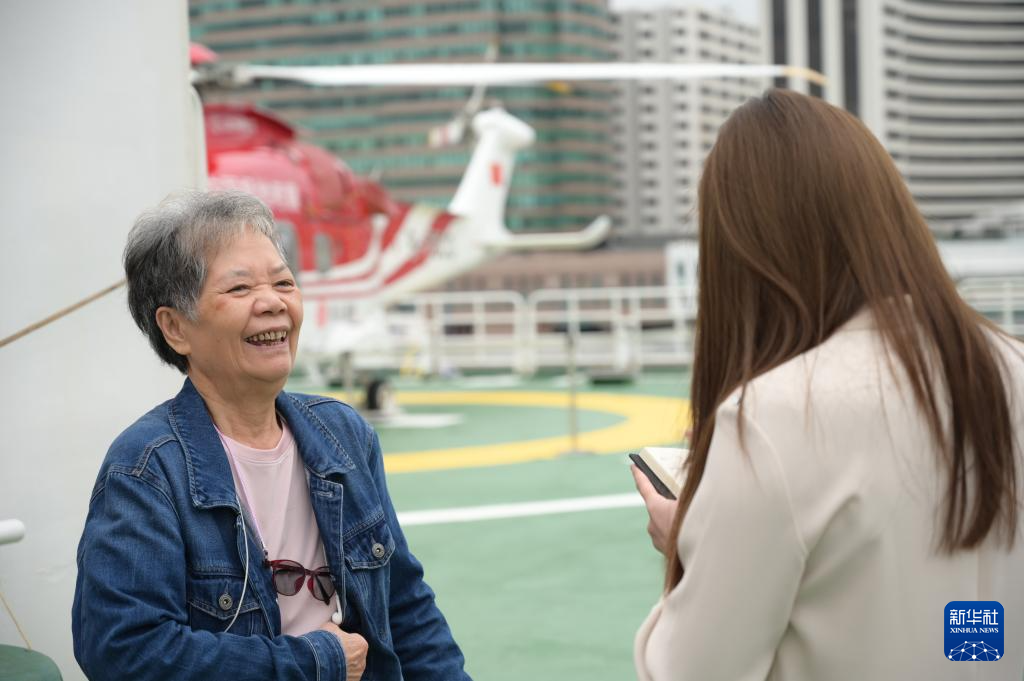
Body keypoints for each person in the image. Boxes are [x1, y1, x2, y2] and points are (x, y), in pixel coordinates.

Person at [631, 89, 1024, 680]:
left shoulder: (772, 415)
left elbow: (697, 671)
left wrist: (688, 548)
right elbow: (967, 627)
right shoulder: (1010, 365)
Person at [72, 191, 472, 681]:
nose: (273, 303)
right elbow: (123, 651)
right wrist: (316, 661)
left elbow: (406, 607)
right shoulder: (146, 468)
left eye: (284, 282)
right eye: (239, 290)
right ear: (176, 328)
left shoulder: (344, 434)